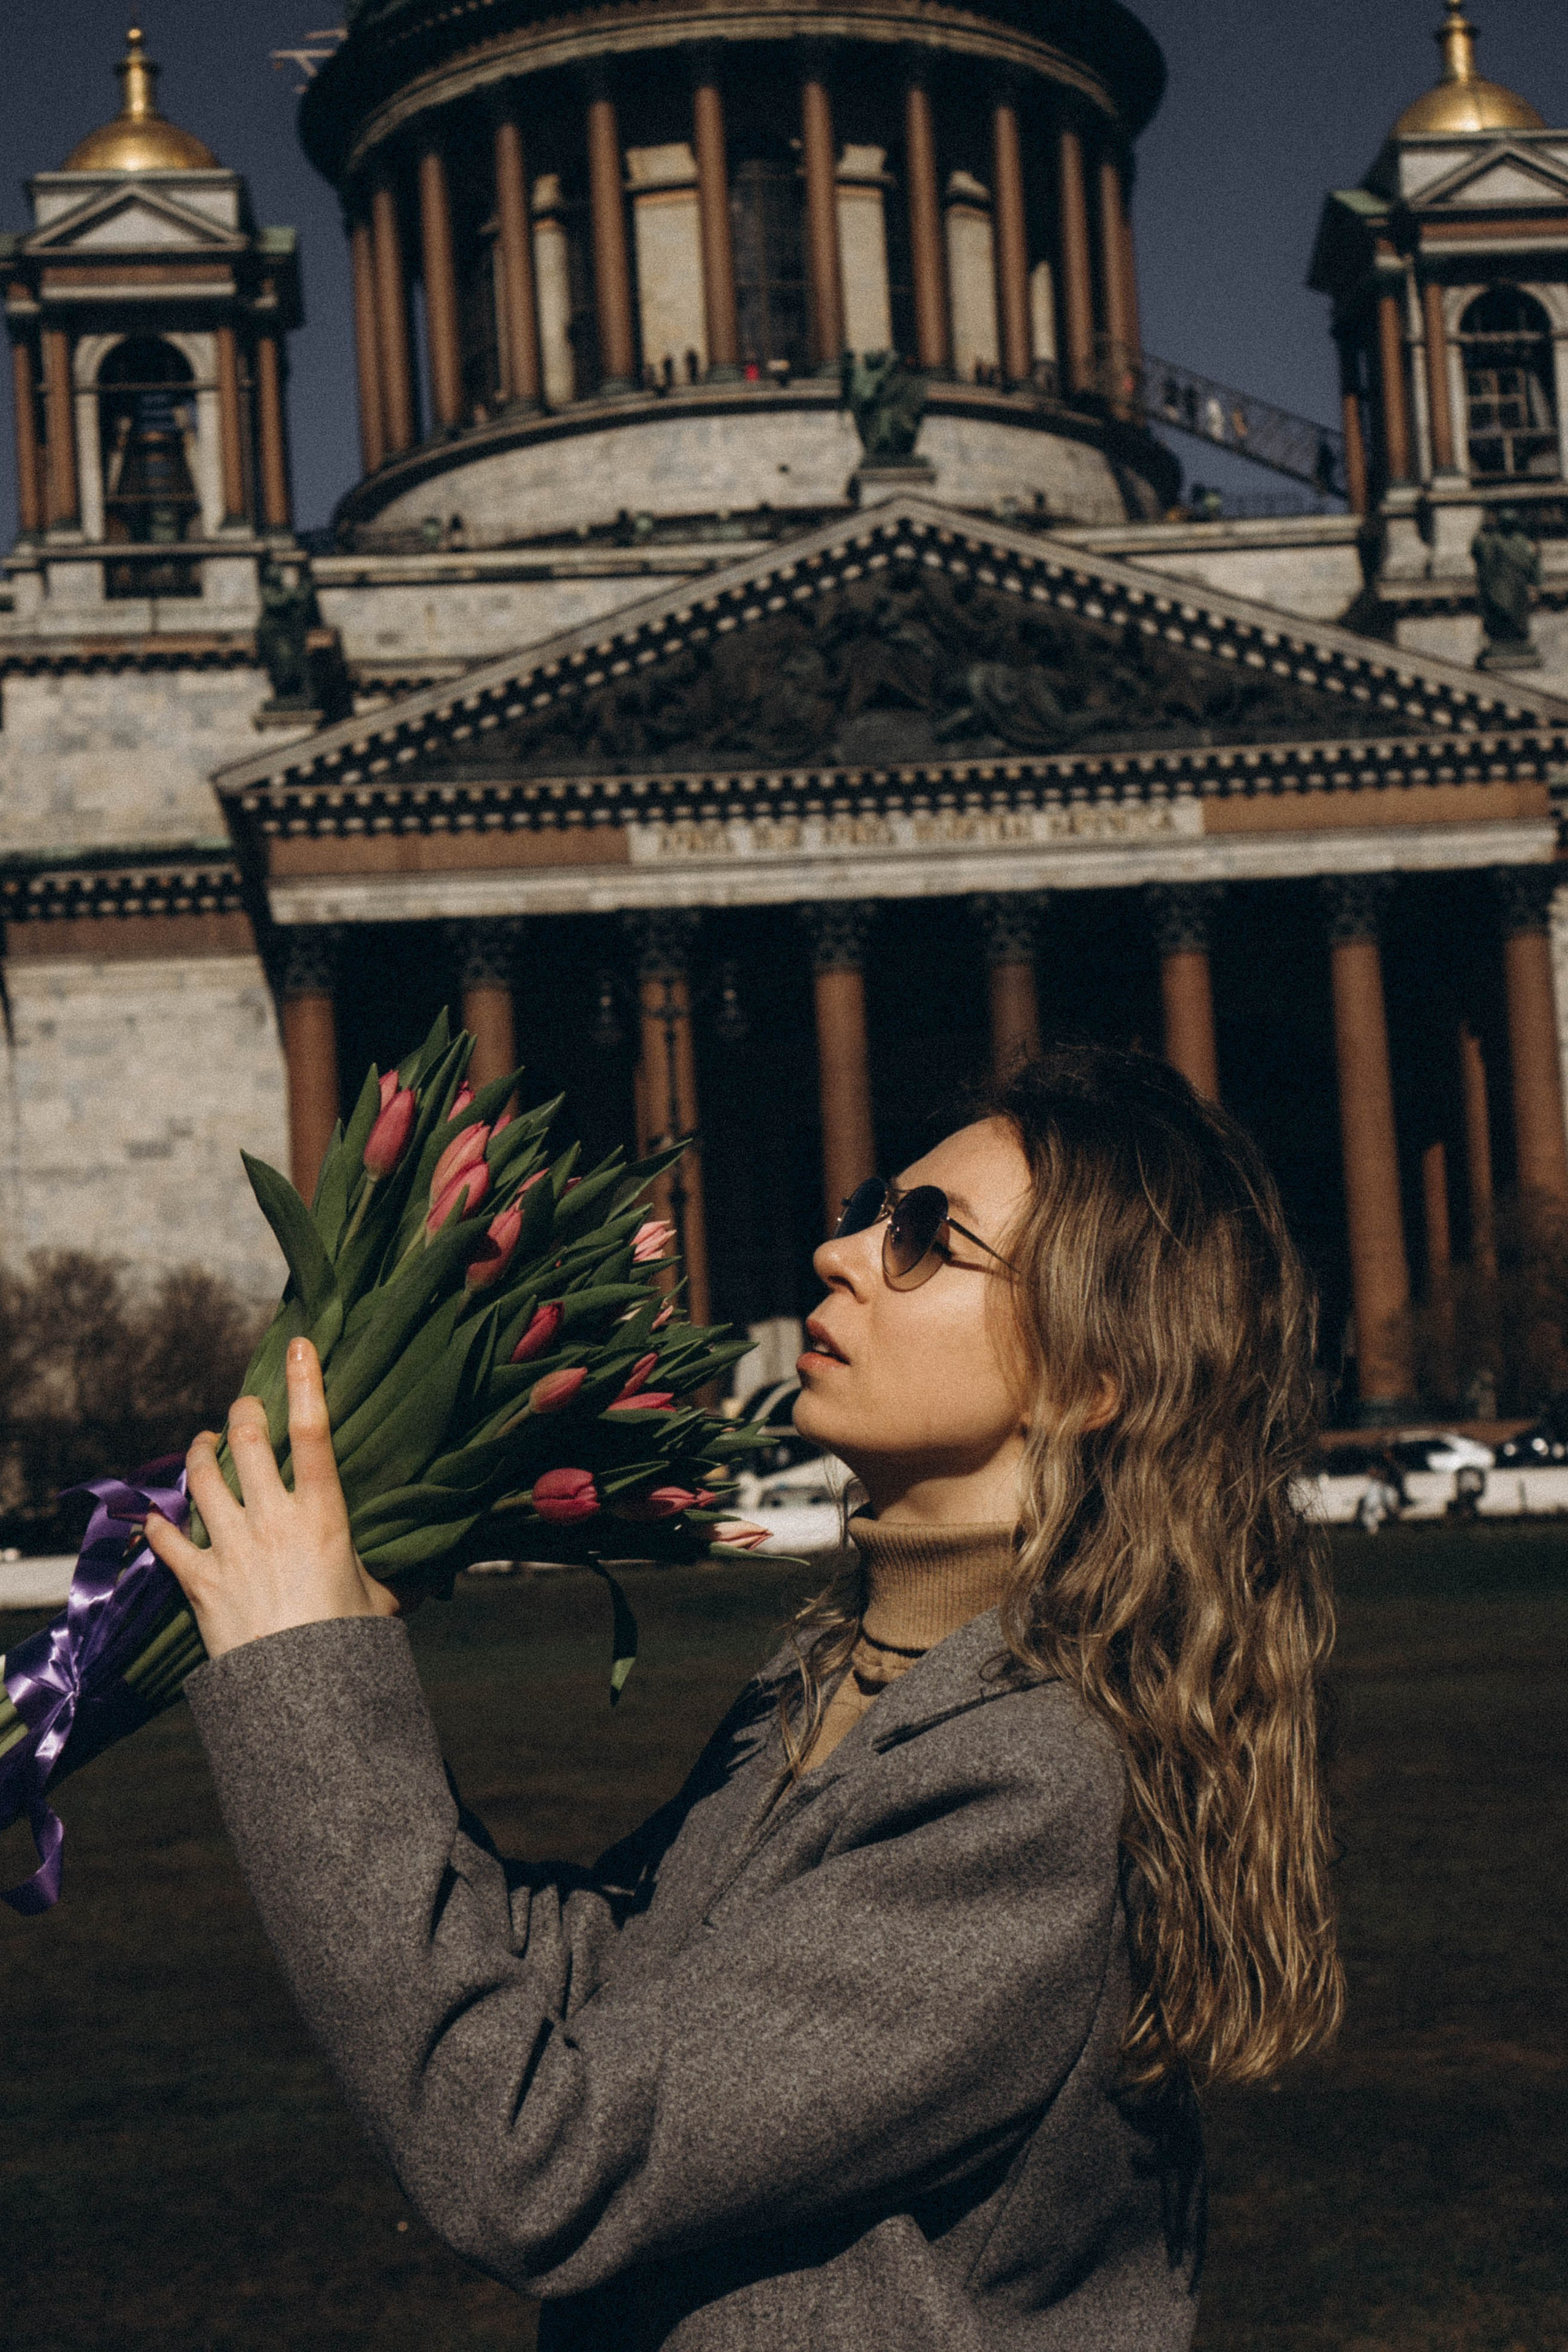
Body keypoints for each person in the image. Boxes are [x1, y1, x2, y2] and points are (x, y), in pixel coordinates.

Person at [147, 1044, 1343, 2349]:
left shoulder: (1031, 1786)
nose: (839, 1253)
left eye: (924, 1236)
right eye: (871, 1211)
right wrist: (335, 1659)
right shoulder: (838, 1676)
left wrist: (310, 1685)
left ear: (1088, 1377)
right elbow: (600, 1976)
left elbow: (536, 2160)